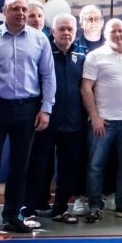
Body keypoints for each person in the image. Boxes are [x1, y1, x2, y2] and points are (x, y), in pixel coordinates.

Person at [0, 0, 55, 238]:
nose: (20, 13)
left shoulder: (40, 39)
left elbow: (48, 76)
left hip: (28, 109)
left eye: (23, 9)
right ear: (4, 11)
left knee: (21, 166)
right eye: (15, 9)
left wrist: (46, 108)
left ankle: (12, 217)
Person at [80, 18, 122, 222]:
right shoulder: (95, 56)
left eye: (120, 31)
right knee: (96, 165)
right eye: (112, 31)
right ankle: (95, 206)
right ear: (105, 35)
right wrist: (95, 116)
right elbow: (86, 88)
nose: (117, 35)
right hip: (103, 121)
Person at [31, 13, 88, 225]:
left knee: (69, 168)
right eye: (61, 29)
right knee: (39, 166)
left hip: (73, 122)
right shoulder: (42, 50)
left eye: (69, 29)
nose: (66, 33)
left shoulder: (82, 54)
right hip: (45, 120)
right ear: (53, 31)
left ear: (76, 31)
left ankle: (60, 209)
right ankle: (31, 209)